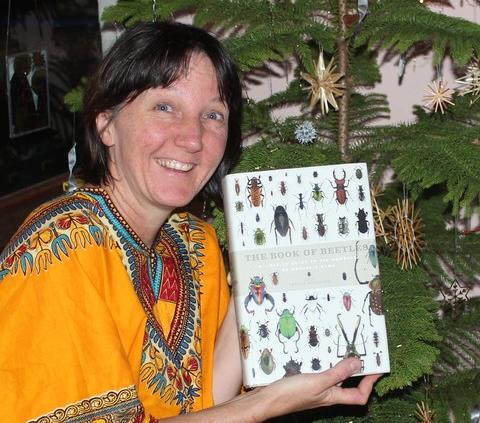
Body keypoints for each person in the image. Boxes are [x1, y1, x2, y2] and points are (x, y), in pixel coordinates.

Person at [0, 22, 379, 422]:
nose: (193, 138)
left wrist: (261, 272)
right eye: (165, 107)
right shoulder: (59, 250)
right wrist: (265, 404)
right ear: (106, 124)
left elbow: (208, 402)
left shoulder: (193, 243)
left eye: (213, 115)